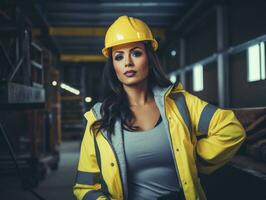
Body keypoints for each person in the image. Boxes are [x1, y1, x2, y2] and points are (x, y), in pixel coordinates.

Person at [73, 16, 246, 200]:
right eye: (119, 56)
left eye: (136, 53)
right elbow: (85, 187)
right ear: (113, 65)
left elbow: (231, 129)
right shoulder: (99, 119)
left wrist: (191, 158)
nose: (128, 62)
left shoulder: (181, 104)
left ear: (149, 57)